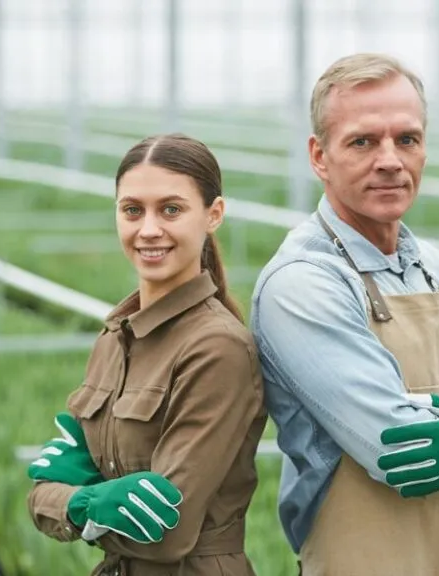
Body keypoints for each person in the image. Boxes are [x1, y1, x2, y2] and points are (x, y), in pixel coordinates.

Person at [250, 53, 439, 576]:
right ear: (319, 156)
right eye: (363, 141)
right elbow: (401, 450)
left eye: (406, 139)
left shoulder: (437, 268)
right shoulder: (302, 281)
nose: (390, 159)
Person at [26, 133, 267, 575]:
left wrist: (77, 502)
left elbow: (164, 528)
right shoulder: (115, 336)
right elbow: (38, 497)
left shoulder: (216, 348)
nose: (149, 229)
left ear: (213, 215)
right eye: (132, 210)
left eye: (171, 209)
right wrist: (90, 504)